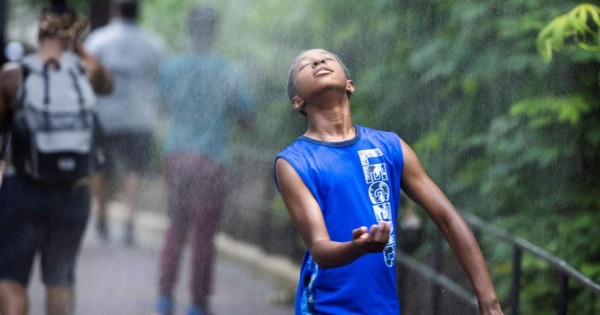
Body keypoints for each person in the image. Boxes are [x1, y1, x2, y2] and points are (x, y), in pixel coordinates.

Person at [274, 49, 504, 315]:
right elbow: (319, 247)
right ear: (297, 101)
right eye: (305, 65)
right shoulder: (293, 163)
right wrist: (356, 248)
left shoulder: (390, 147)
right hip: (325, 308)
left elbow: (448, 218)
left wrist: (489, 303)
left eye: (327, 58)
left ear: (350, 85)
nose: (318, 61)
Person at [0, 3, 112, 315]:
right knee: (60, 281)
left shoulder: (13, 75)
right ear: (73, 37)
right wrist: (77, 49)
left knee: (10, 282)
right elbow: (107, 82)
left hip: (23, 192)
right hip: (73, 194)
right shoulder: (86, 74)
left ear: (39, 32)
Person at [152, 5, 254, 315]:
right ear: (215, 33)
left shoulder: (172, 68)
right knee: (203, 236)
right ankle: (197, 304)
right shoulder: (229, 72)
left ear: (189, 31)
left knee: (175, 229)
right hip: (211, 160)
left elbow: (160, 109)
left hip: (177, 156)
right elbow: (247, 118)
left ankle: (164, 298)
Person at [84, 0, 167, 245]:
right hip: (140, 117)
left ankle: (101, 218)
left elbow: (85, 75)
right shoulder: (154, 44)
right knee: (135, 170)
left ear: (114, 11)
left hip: (104, 116)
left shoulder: (98, 40)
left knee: (102, 168)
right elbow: (162, 79)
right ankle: (129, 221)